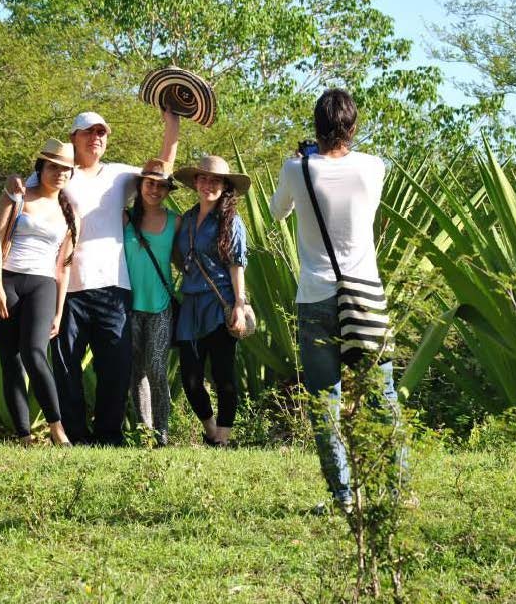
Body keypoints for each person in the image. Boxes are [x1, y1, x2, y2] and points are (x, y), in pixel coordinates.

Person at [8, 109, 179, 445]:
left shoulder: (120, 176)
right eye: (88, 132)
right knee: (67, 367)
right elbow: (20, 193)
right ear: (74, 137)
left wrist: (172, 124)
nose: (95, 138)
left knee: (115, 367)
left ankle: (109, 435)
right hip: (67, 288)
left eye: (101, 133)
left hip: (115, 287)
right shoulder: (59, 173)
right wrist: (10, 182)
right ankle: (75, 434)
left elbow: (162, 170)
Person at [270, 88, 403, 511]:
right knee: (383, 395)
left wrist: (305, 158)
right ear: (354, 126)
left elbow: (277, 213)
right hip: (365, 294)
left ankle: (344, 497)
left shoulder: (296, 169)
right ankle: (395, 491)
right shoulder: (373, 167)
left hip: (315, 295)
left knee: (324, 399)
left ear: (315, 126)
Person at [0, 139, 78, 446]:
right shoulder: (17, 195)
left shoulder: (70, 213)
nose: (59, 173)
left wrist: (59, 310)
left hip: (42, 285)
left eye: (66, 169)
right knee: (10, 359)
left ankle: (57, 428)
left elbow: (63, 268)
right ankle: (24, 435)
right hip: (8, 281)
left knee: (35, 353)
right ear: (40, 167)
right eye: (54, 166)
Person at [172, 156, 250, 447]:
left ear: (225, 186)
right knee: (190, 380)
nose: (208, 185)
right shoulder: (188, 219)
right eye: (203, 179)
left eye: (215, 180)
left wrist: (239, 306)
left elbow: (236, 265)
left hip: (220, 305)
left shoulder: (231, 221)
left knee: (223, 375)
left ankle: (224, 438)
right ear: (195, 182)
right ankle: (211, 430)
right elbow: (181, 258)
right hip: (190, 306)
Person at [123, 158, 181, 446]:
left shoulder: (175, 222)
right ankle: (144, 432)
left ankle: (163, 432)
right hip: (129, 306)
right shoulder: (125, 219)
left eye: (161, 186)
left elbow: (186, 260)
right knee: (136, 372)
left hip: (161, 305)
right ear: (140, 185)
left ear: (168, 190)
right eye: (150, 184)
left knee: (157, 368)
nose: (155, 190)